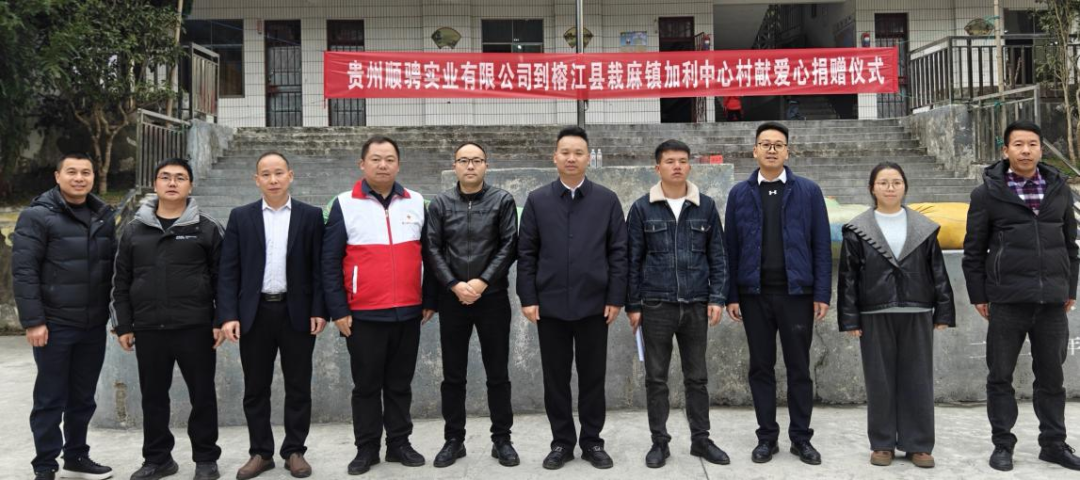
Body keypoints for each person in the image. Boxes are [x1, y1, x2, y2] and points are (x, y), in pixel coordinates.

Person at [962, 120, 1080, 472]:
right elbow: (973, 250)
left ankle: (1053, 444)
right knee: (1000, 375)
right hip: (1006, 300)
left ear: (1041, 149)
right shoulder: (986, 194)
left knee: (1052, 378)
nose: (1025, 150)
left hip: (1051, 302)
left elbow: (1071, 245)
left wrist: (1069, 288)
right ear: (1005, 150)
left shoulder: (1060, 190)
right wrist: (979, 295)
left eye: (1032, 144)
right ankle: (1003, 444)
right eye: (1018, 144)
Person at [322, 135, 435, 476]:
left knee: (400, 384)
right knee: (367, 386)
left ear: (398, 164)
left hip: (409, 312)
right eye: (375, 159)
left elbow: (430, 255)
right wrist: (339, 310)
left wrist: (429, 298)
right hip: (363, 315)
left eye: (389, 159)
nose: (383, 165)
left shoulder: (416, 201)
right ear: (362, 164)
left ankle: (399, 443)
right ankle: (367, 447)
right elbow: (330, 261)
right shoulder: (344, 204)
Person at [517, 126, 628, 470]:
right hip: (549, 306)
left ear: (588, 158)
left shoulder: (606, 200)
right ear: (554, 157)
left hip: (595, 305)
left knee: (593, 378)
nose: (571, 158)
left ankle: (592, 441)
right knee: (556, 379)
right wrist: (528, 297)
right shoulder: (537, 200)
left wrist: (615, 297)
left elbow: (619, 251)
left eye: (578, 153)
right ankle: (562, 443)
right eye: (565, 152)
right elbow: (526, 252)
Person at [724, 121, 831, 465]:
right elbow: (731, 248)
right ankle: (766, 438)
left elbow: (820, 245)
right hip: (754, 295)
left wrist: (822, 293)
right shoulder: (739, 194)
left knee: (799, 368)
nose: (772, 150)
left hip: (797, 295)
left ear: (788, 151)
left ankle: (801, 438)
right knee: (761, 367)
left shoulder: (808, 192)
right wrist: (732, 295)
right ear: (754, 150)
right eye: (765, 144)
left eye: (778, 144)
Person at [112, 157, 225, 480]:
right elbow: (120, 281)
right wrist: (123, 324)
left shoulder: (207, 228)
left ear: (190, 185)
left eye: (179, 177)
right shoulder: (133, 230)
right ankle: (158, 459)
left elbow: (224, 280)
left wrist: (220, 320)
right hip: (149, 328)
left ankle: (206, 458)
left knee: (202, 395)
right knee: (153, 398)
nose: (172, 182)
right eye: (165, 177)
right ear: (155, 184)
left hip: (196, 327)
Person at [837, 162, 956, 468]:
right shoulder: (858, 229)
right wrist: (850, 318)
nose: (890, 188)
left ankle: (919, 444)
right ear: (872, 188)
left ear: (905, 187)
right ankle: (882, 443)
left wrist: (943, 310)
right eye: (883, 183)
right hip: (874, 311)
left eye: (896, 182)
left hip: (917, 310)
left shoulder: (923, 227)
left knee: (918, 379)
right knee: (879, 380)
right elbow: (848, 277)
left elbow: (937, 271)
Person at [217, 152, 327, 479]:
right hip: (255, 313)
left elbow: (320, 268)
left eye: (279, 173)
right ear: (257, 180)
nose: (273, 179)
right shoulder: (241, 217)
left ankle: (294, 451)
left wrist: (319, 309)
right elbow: (228, 271)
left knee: (298, 386)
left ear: (290, 175)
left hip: (297, 312)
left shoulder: (310, 216)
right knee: (255, 387)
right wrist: (228, 315)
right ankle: (261, 452)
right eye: (266, 174)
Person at [625, 139, 729, 469]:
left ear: (690, 165)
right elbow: (632, 260)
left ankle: (701, 439)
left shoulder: (706, 206)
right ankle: (659, 442)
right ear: (657, 167)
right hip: (656, 305)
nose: (677, 166)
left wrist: (717, 298)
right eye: (670, 161)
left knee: (697, 377)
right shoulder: (642, 208)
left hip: (696, 304)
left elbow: (718, 256)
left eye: (683, 160)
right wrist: (633, 305)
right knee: (656, 379)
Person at [13, 153, 117, 480]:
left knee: (83, 398)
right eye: (71, 172)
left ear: (93, 177)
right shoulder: (36, 216)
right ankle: (45, 465)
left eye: (86, 172)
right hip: (54, 324)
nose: (79, 178)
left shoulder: (103, 216)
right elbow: (24, 271)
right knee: (50, 398)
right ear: (57, 176)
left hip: (93, 324)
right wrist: (33, 321)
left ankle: (76, 455)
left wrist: (116, 318)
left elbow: (112, 270)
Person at [423, 142, 520, 468]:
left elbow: (509, 245)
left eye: (476, 160)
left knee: (498, 373)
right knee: (453, 375)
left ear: (486, 165)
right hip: (452, 300)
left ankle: (502, 439)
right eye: (464, 160)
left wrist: (482, 282)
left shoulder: (502, 200)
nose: (470, 166)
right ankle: (454, 440)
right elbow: (431, 248)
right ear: (455, 165)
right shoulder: (440, 203)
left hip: (492, 298)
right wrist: (454, 284)